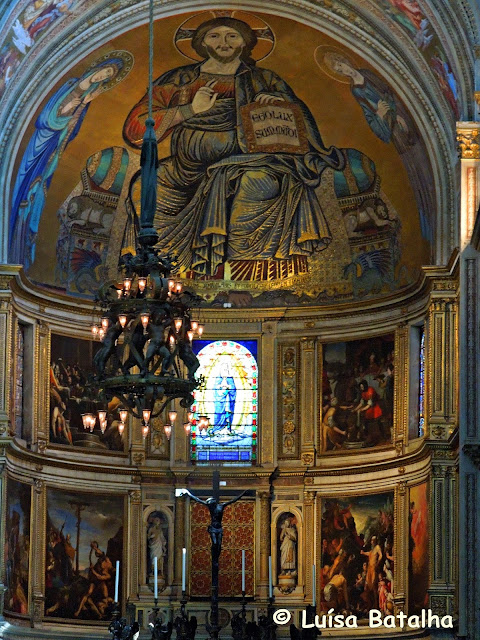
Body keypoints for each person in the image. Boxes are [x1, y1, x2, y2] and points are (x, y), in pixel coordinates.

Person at [123, 17, 344, 278]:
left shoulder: (264, 79)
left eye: (232, 36)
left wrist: (279, 103)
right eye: (214, 36)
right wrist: (190, 109)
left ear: (244, 43)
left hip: (252, 162)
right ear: (202, 42)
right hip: (185, 171)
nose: (223, 42)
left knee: (258, 183)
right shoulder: (178, 79)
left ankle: (243, 275)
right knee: (143, 187)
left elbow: (301, 125)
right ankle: (161, 275)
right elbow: (136, 129)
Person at [9, 53, 131, 269]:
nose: (103, 76)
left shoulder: (88, 97)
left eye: (108, 76)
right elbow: (45, 119)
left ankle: (24, 245)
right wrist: (68, 109)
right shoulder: (71, 85)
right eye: (105, 71)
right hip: (42, 141)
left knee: (38, 190)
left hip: (55, 147)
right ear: (98, 67)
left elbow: (73, 130)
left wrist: (82, 105)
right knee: (27, 184)